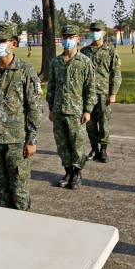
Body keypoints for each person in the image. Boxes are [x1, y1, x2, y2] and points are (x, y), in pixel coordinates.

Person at [0, 22, 42, 210]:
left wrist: (32, 139)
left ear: (13, 43)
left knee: (19, 190)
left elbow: (35, 107)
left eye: (2, 41)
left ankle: (23, 227)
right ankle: (5, 224)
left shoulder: (25, 70)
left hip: (16, 141)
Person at [47, 25, 95, 190]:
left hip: (76, 112)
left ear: (77, 39)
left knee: (77, 144)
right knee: (62, 144)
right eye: (65, 37)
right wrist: (51, 108)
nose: (67, 40)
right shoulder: (56, 62)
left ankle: (76, 173)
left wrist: (88, 110)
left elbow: (90, 88)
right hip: (59, 110)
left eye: (71, 37)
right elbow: (51, 87)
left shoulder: (85, 62)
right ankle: (67, 171)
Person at [80, 20, 122, 163]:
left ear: (104, 33)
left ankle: (103, 150)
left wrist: (113, 93)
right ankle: (94, 149)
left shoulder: (110, 51)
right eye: (92, 30)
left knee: (104, 124)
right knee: (90, 124)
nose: (95, 33)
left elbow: (115, 73)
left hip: (103, 94)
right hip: (88, 95)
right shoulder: (84, 52)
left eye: (97, 30)